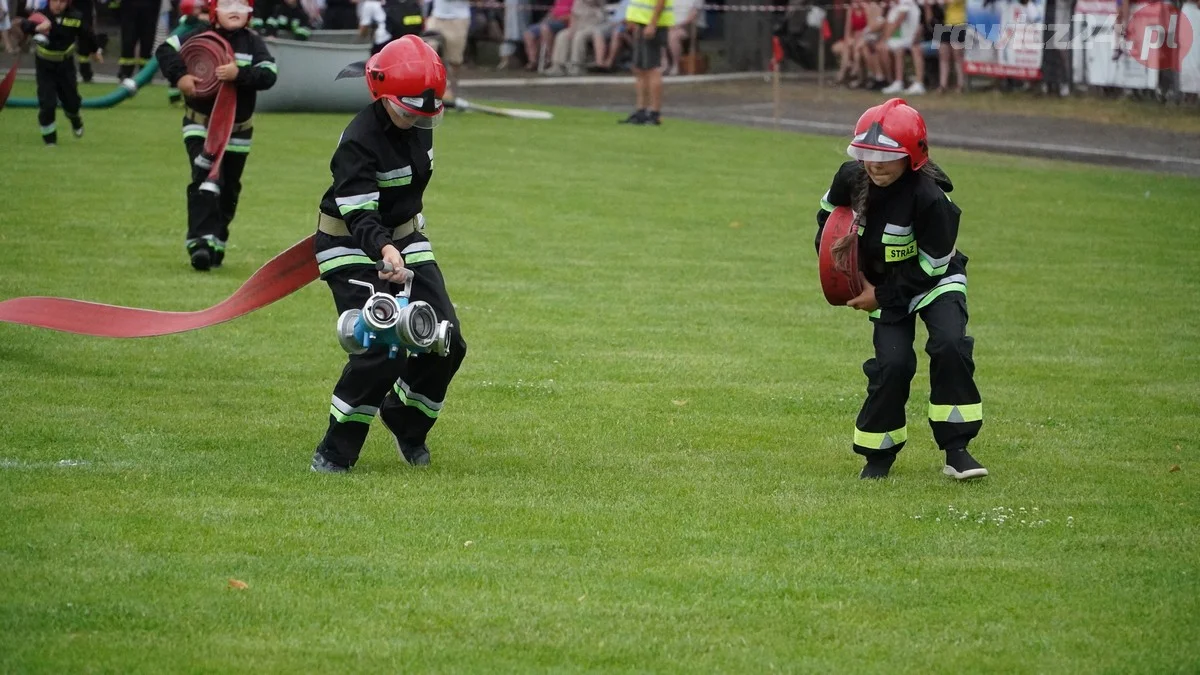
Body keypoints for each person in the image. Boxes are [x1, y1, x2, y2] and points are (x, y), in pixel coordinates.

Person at [310, 34, 468, 474]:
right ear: (382, 96)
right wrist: (383, 250)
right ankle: (335, 452)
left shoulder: (419, 121)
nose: (417, 120)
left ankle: (405, 420)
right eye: (406, 110)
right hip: (349, 243)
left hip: (406, 238)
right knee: (380, 346)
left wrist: (403, 246)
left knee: (446, 341)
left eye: (426, 112)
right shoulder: (359, 141)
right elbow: (359, 215)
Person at [815, 98, 987, 481]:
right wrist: (849, 274)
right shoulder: (850, 176)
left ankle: (957, 450)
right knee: (892, 364)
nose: (875, 164)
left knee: (949, 346)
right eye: (868, 154)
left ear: (912, 156)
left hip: (935, 281)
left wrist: (880, 294)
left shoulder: (930, 197)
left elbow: (932, 266)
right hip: (882, 283)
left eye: (886, 156)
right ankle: (878, 457)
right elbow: (828, 220)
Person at [155, 0, 277, 270]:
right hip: (201, 126)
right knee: (206, 178)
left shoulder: (253, 42)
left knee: (229, 187)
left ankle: (217, 242)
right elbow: (165, 50)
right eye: (227, 4)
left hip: (238, 132)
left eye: (241, 5)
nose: (234, 10)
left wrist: (239, 73)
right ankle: (199, 243)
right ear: (213, 10)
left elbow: (270, 74)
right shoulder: (196, 33)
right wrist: (181, 77)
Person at [20, 0, 96, 145]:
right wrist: (37, 28)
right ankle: (50, 142)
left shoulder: (75, 17)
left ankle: (75, 118)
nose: (58, 5)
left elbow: (87, 34)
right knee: (47, 103)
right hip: (45, 67)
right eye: (55, 1)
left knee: (72, 102)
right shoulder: (41, 16)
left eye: (62, 1)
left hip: (65, 66)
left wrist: (95, 50)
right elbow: (24, 25)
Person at [617, 0, 672, 125]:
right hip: (641, 23)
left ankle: (655, 112)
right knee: (639, 69)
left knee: (652, 69)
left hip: (651, 24)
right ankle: (641, 111)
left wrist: (652, 24)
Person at [424, 0, 470, 100]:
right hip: (436, 18)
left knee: (455, 60)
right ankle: (435, 89)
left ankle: (452, 92)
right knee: (430, 50)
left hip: (458, 19)